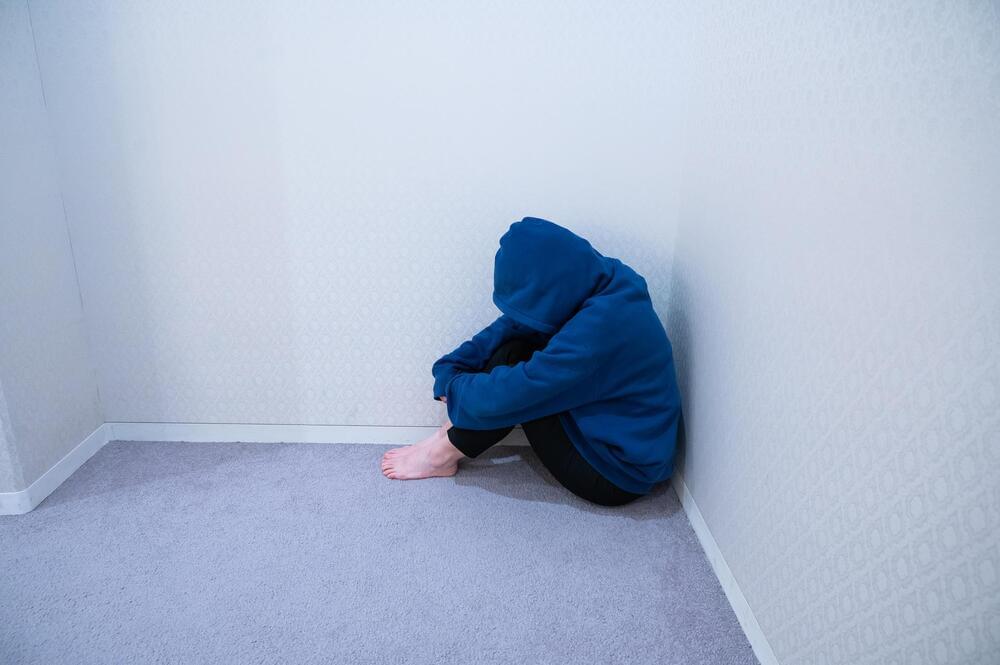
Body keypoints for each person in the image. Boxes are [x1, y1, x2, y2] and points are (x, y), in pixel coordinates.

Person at [380, 217, 682, 507]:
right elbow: (513, 326)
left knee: (512, 373)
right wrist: (451, 367)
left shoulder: (602, 328)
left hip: (616, 471)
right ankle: (445, 438)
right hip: (613, 431)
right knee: (516, 346)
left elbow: (515, 391)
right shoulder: (602, 278)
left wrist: (457, 390)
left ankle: (440, 455)